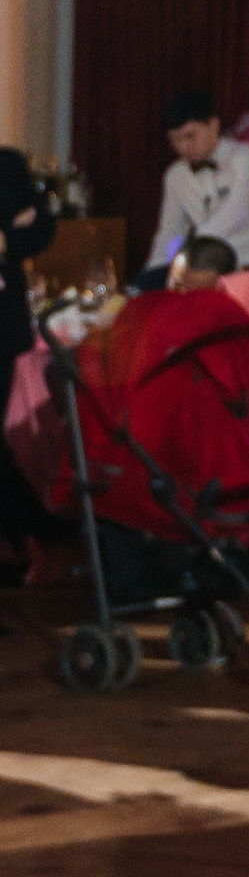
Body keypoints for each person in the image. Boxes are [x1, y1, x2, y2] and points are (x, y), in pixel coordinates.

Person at [0, 137, 58, 574]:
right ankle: (30, 523)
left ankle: (28, 526)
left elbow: (39, 228)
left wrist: (7, 239)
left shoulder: (7, 166)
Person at [145, 93, 249, 274]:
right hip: (209, 270)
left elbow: (234, 213)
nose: (182, 147)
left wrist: (188, 253)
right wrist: (152, 272)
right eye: (175, 140)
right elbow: (170, 233)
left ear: (213, 125)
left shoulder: (247, 158)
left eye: (190, 136)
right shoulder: (176, 174)